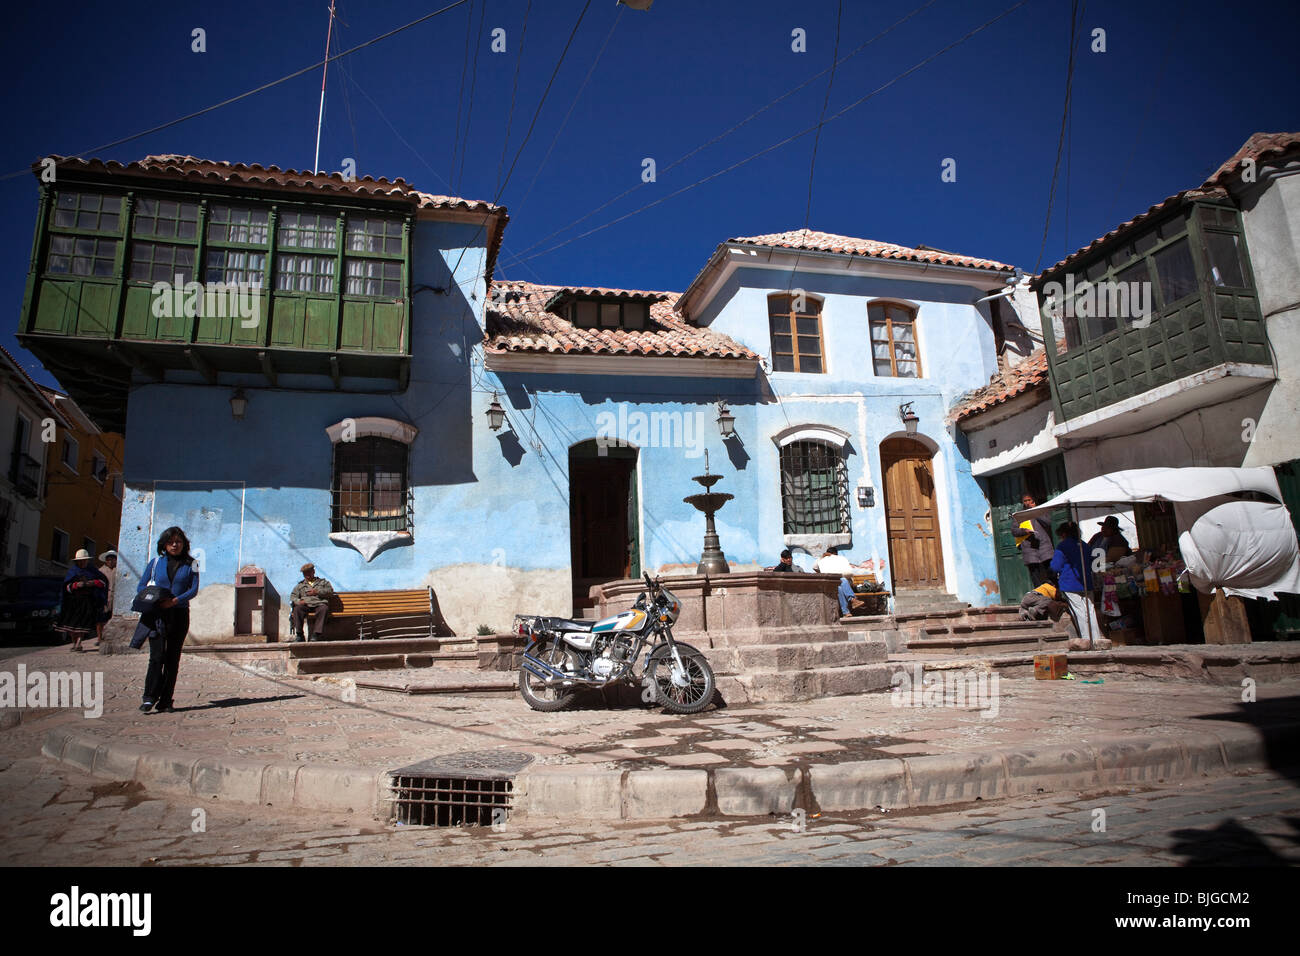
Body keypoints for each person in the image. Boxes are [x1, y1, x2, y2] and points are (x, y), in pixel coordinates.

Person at [138, 527, 199, 714]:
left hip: (179, 614)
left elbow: (194, 589)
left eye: (178, 541)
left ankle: (166, 700)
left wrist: (175, 601)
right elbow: (141, 586)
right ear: (164, 544)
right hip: (157, 614)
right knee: (156, 657)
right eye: (171, 541)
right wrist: (156, 600)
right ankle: (149, 697)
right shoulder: (156, 563)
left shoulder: (193, 563)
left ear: (184, 544)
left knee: (173, 659)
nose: (175, 544)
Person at [1050, 521, 1103, 648]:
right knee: (1090, 610)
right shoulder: (1085, 546)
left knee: (1079, 611)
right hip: (1086, 582)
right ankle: (1096, 639)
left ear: (1063, 534)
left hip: (1070, 583)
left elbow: (1055, 566)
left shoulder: (1062, 547)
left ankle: (1087, 641)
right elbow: (1093, 563)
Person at [56, 549, 107, 652]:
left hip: (87, 601)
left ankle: (79, 643)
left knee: (82, 623)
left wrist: (93, 583)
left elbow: (103, 582)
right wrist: (75, 585)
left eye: (84, 560)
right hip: (73, 602)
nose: (82, 562)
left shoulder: (93, 571)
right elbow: (66, 587)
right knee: (72, 624)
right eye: (80, 561)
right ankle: (74, 642)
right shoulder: (72, 571)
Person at [1017, 495, 1056, 587]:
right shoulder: (1020, 515)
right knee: (1036, 575)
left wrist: (1035, 512)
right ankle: (1040, 596)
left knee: (1050, 572)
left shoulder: (1041, 511)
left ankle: (1055, 593)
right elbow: (1014, 530)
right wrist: (1023, 531)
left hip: (1044, 547)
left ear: (1033, 501)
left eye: (1029, 500)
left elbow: (1047, 523)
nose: (1027, 502)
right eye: (1025, 501)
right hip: (1030, 549)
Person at [290, 563, 334, 642]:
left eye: (309, 572)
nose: (307, 575)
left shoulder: (323, 582)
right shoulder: (300, 585)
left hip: (319, 603)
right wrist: (299, 601)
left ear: (313, 571)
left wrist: (317, 592)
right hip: (306, 605)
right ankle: (300, 634)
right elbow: (293, 596)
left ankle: (316, 634)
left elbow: (330, 591)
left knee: (324, 609)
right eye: (305, 573)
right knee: (297, 609)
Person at [96, 549, 118, 644]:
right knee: (101, 619)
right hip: (103, 597)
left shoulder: (118, 570)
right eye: (108, 559)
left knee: (111, 618)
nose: (111, 561)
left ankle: (110, 637)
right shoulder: (100, 571)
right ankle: (99, 638)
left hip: (115, 598)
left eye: (113, 559)